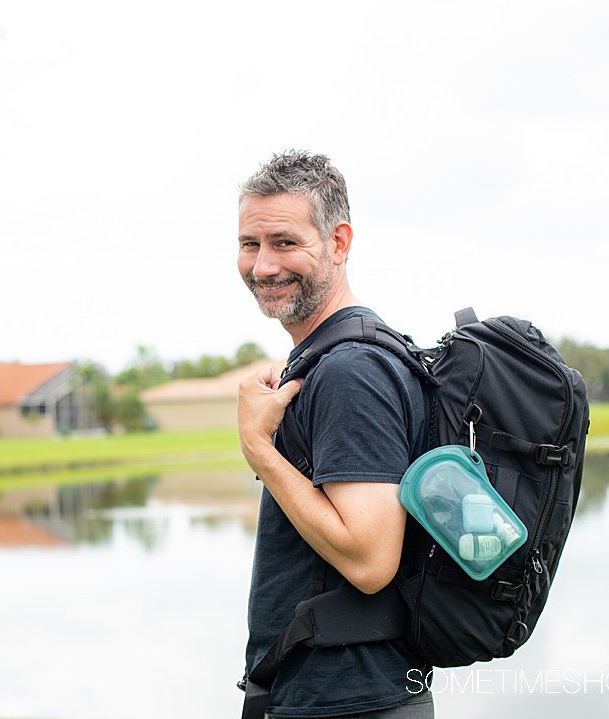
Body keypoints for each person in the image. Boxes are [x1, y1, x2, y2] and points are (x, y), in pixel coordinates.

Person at [236, 151, 434, 718]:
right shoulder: (327, 360)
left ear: (338, 243)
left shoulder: (351, 371)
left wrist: (257, 448)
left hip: (352, 702)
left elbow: (371, 561)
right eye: (250, 244)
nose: (263, 266)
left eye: (284, 242)